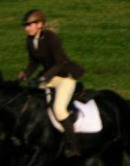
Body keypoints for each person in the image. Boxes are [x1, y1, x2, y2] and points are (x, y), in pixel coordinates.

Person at [17, 9, 84, 157]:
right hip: (51, 77)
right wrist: (24, 75)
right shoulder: (30, 40)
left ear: (39, 24)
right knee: (34, 101)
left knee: (59, 109)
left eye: (29, 25)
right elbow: (33, 62)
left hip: (65, 77)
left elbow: (60, 63)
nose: (26, 28)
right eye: (25, 25)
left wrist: (44, 79)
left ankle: (73, 146)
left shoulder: (51, 38)